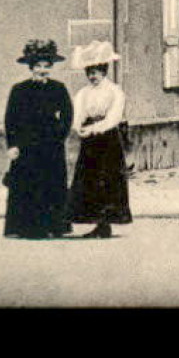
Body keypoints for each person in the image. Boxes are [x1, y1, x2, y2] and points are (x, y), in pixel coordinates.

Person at [3, 39, 74, 240]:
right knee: (28, 183)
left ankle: (53, 226)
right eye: (38, 66)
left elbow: (68, 115)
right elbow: (10, 119)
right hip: (26, 144)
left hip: (51, 144)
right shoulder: (19, 90)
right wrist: (12, 145)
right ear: (31, 68)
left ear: (51, 68)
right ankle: (26, 227)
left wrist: (59, 136)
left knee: (51, 183)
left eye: (46, 66)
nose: (42, 70)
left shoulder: (58, 88)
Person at [66, 40, 132, 240]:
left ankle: (106, 223)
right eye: (90, 72)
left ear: (104, 71)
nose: (93, 76)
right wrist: (80, 128)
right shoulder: (83, 93)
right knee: (90, 179)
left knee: (108, 178)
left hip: (108, 139)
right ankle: (95, 221)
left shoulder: (114, 91)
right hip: (90, 142)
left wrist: (96, 128)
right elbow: (77, 115)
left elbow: (114, 117)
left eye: (97, 71)